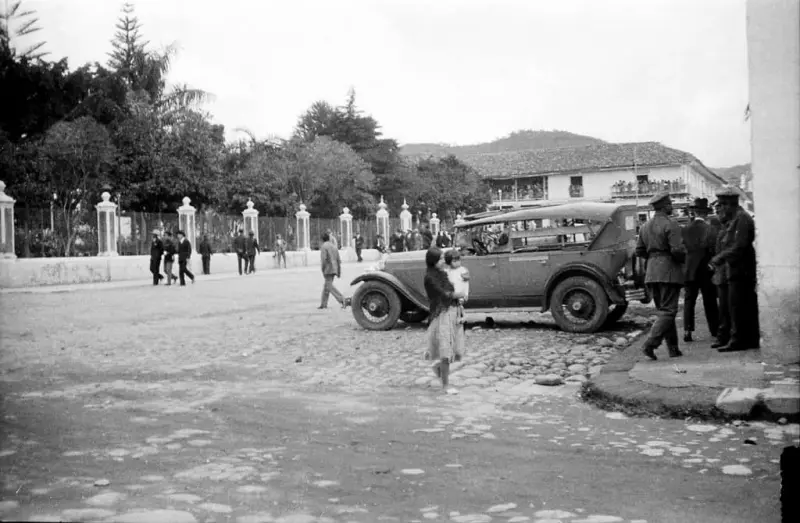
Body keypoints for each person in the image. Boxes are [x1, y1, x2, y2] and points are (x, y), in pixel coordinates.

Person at [635, 191, 686, 360]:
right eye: (670, 204)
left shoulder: (644, 226)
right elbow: (677, 250)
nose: (672, 206)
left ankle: (673, 349)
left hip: (651, 272)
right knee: (669, 311)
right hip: (669, 271)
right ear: (665, 207)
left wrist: (654, 258)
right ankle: (650, 344)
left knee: (664, 311)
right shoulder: (671, 224)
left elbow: (639, 251)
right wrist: (683, 260)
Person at [710, 187, 760, 352]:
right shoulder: (735, 219)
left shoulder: (742, 219)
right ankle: (741, 338)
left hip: (742, 270)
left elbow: (740, 245)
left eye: (722, 205)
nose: (721, 209)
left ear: (730, 204)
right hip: (735, 269)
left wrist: (719, 258)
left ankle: (739, 340)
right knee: (736, 306)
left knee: (739, 307)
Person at [423, 246, 466, 393]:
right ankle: (445, 386)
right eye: (440, 258)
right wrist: (457, 294)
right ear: (434, 261)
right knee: (445, 349)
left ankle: (440, 372)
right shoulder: (430, 278)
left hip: (450, 312)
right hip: (441, 315)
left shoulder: (441, 273)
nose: (444, 260)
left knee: (450, 347)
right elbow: (443, 294)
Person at [681, 198, 719, 342]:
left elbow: (682, 248)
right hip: (705, 269)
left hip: (690, 269)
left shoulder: (685, 229)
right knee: (709, 300)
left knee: (689, 300)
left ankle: (687, 331)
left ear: (694, 212)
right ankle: (714, 330)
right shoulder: (710, 229)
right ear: (705, 214)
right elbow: (713, 248)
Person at [710, 204, 731, 349]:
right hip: (722, 273)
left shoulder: (729, 228)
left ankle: (724, 336)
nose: (717, 215)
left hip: (726, 272)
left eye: (719, 212)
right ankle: (724, 336)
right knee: (724, 307)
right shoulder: (723, 228)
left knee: (725, 307)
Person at [318, 232, 351, 309]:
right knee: (326, 286)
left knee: (329, 286)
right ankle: (323, 304)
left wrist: (323, 269)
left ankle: (342, 300)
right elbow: (338, 259)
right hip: (334, 268)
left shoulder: (324, 247)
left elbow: (324, 259)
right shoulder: (333, 246)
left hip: (328, 269)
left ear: (322, 239)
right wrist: (338, 270)